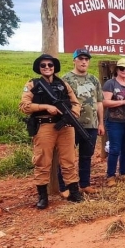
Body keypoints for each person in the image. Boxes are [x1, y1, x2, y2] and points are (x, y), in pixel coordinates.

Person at [19, 54, 84, 208]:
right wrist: (45, 107)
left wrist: (72, 115)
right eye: (43, 65)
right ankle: (43, 196)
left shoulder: (63, 83)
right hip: (45, 126)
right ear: (39, 68)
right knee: (43, 160)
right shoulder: (32, 84)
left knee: (69, 160)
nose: (47, 67)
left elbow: (76, 103)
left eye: (50, 65)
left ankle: (74, 192)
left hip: (66, 126)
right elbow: (24, 106)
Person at [56, 48, 105, 197]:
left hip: (91, 125)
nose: (84, 62)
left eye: (86, 59)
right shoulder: (66, 79)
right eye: (81, 59)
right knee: (67, 156)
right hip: (71, 125)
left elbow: (99, 102)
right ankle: (64, 186)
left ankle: (85, 184)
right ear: (74, 60)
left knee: (86, 156)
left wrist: (101, 123)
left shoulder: (94, 79)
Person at [102, 58, 125, 186]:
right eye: (122, 69)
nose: (124, 71)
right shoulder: (110, 84)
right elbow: (105, 102)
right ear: (117, 70)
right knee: (115, 148)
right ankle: (110, 175)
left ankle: (123, 173)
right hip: (114, 121)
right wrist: (123, 102)